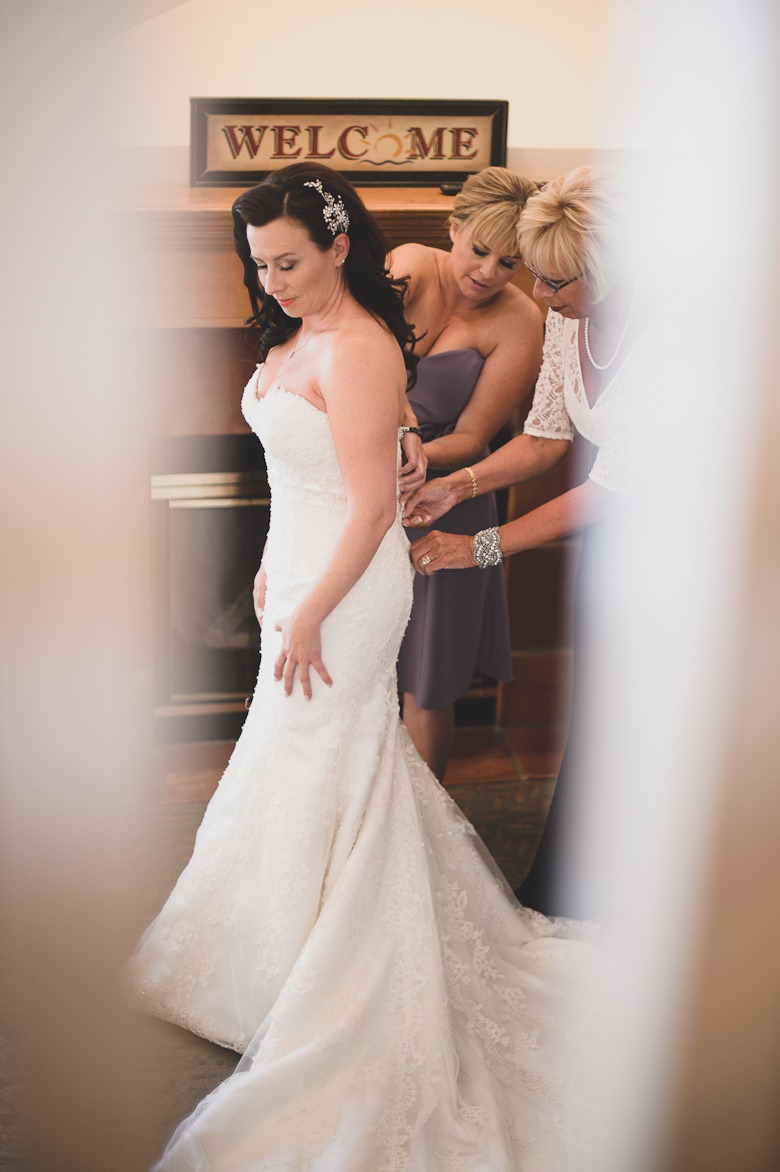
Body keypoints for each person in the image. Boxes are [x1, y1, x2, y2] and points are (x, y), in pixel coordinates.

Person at [130, 162, 600, 1171]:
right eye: (259, 267)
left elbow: (374, 507)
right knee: (287, 762)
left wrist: (312, 614)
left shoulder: (361, 350)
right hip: (299, 576)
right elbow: (292, 477)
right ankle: (265, 956)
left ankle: (323, 975)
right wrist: (267, 570)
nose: (275, 283)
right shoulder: (299, 333)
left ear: (341, 244)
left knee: (332, 766)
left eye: (291, 262)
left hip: (346, 592)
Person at [404, 165, 669, 919]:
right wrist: (457, 486)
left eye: (558, 284)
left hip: (688, 556)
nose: (541, 299)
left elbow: (611, 489)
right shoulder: (565, 318)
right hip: (617, 553)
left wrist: (479, 547)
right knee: (603, 718)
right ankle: (584, 887)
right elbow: (546, 441)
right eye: (542, 280)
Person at [391, 168, 544, 779]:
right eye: (478, 250)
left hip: (451, 492)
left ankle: (420, 830)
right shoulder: (407, 266)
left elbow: (476, 437)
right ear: (452, 229)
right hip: (360, 474)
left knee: (426, 680)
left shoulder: (521, 320)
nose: (487, 272)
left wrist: (418, 460)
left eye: (509, 263)